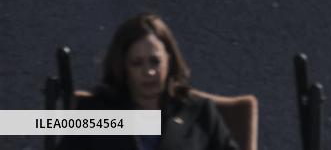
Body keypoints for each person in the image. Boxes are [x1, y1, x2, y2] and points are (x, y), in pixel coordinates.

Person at [57, 13, 239, 150]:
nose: (149, 72)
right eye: (137, 63)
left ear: (169, 59)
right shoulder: (96, 112)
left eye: (155, 61)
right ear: (123, 66)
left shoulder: (199, 112)